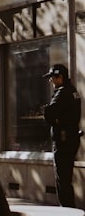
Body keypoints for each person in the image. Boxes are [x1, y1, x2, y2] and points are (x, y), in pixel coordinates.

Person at [44, 64, 82, 208]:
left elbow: (49, 114)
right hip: (71, 139)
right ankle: (69, 209)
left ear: (59, 77)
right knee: (66, 178)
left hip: (63, 140)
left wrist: (56, 120)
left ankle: (67, 211)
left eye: (52, 78)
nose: (50, 81)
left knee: (63, 180)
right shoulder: (72, 91)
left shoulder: (62, 93)